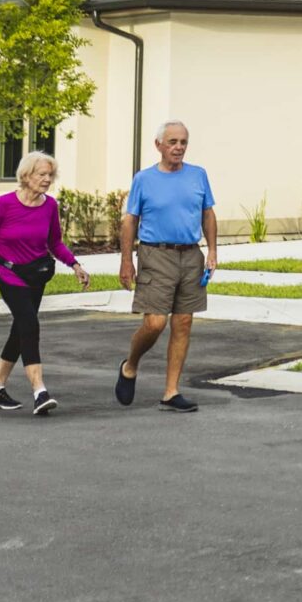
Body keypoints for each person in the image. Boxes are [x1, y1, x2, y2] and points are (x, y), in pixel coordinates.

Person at [0, 150, 88, 414]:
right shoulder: (4, 204)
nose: (47, 179)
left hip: (37, 276)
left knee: (19, 331)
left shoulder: (49, 206)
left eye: (50, 175)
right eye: (41, 174)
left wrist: (75, 265)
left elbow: (54, 242)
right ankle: (40, 391)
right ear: (26, 175)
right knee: (30, 326)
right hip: (10, 275)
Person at [116, 120, 217, 413]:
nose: (179, 148)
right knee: (155, 322)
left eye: (183, 142)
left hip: (190, 255)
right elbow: (129, 221)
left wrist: (212, 250)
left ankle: (171, 392)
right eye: (172, 142)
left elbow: (208, 214)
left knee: (183, 322)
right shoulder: (144, 179)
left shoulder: (198, 175)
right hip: (155, 254)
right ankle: (130, 365)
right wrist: (126, 261)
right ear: (158, 145)